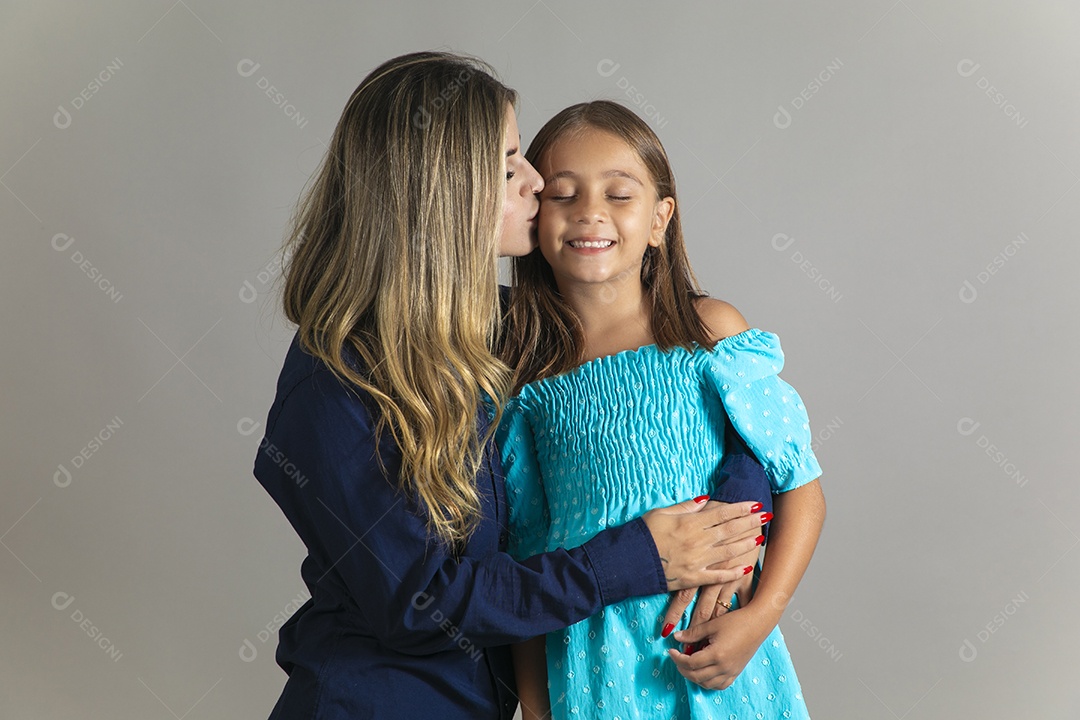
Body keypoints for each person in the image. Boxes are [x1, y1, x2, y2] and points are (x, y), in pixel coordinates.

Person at [252, 52, 774, 720]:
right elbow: (420, 602)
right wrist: (638, 558)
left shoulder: (508, 331)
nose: (535, 179)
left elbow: (703, 401)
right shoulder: (334, 383)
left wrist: (736, 510)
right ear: (441, 190)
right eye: (507, 165)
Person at [498, 100, 827, 720]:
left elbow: (801, 487)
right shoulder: (529, 380)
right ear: (537, 219)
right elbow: (528, 557)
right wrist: (539, 712)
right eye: (564, 195)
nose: (590, 211)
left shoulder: (709, 335)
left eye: (619, 195)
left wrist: (760, 618)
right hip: (594, 667)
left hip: (715, 653)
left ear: (659, 219)